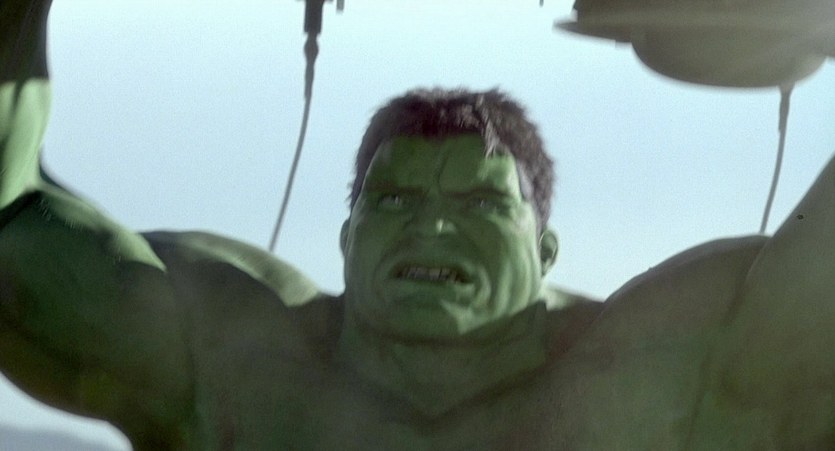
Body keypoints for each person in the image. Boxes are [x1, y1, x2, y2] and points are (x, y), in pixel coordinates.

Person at [3, 2, 835, 450]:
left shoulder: (680, 370)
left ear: (545, 248)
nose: (430, 228)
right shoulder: (220, 358)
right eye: (395, 200)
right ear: (346, 239)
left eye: (480, 206)